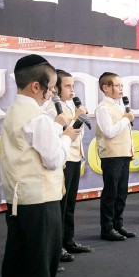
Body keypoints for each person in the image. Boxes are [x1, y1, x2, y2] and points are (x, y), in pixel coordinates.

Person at [0, 54, 79, 277]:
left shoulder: (15, 111)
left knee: (19, 259)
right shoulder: (37, 117)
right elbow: (53, 159)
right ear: (36, 86)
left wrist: (57, 128)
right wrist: (67, 137)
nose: (53, 92)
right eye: (52, 86)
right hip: (40, 197)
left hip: (19, 198)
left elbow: (32, 145)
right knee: (42, 261)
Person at [94, 72, 137, 241]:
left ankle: (118, 224)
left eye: (121, 86)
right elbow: (109, 132)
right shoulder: (103, 108)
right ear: (105, 88)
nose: (121, 89)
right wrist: (126, 119)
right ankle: (107, 228)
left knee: (121, 193)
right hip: (111, 156)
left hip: (124, 154)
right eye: (117, 85)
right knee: (111, 193)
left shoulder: (120, 106)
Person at [53, 70, 91, 254]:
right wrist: (76, 118)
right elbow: (60, 134)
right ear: (55, 87)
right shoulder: (52, 108)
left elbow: (76, 134)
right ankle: (57, 246)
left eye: (73, 86)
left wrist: (79, 118)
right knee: (61, 205)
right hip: (63, 159)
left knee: (70, 204)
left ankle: (69, 240)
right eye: (67, 86)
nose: (72, 90)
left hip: (75, 157)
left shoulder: (69, 106)